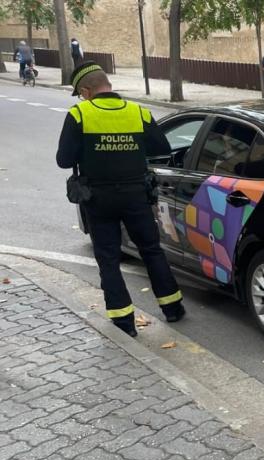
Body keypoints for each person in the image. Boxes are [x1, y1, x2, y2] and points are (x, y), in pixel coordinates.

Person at [55, 61, 186, 337]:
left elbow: (63, 160)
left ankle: (124, 320)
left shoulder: (80, 114)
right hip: (136, 194)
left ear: (87, 90)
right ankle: (173, 307)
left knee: (108, 258)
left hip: (98, 198)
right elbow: (161, 148)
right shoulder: (137, 112)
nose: (81, 98)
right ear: (108, 85)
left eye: (80, 93)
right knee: (151, 250)